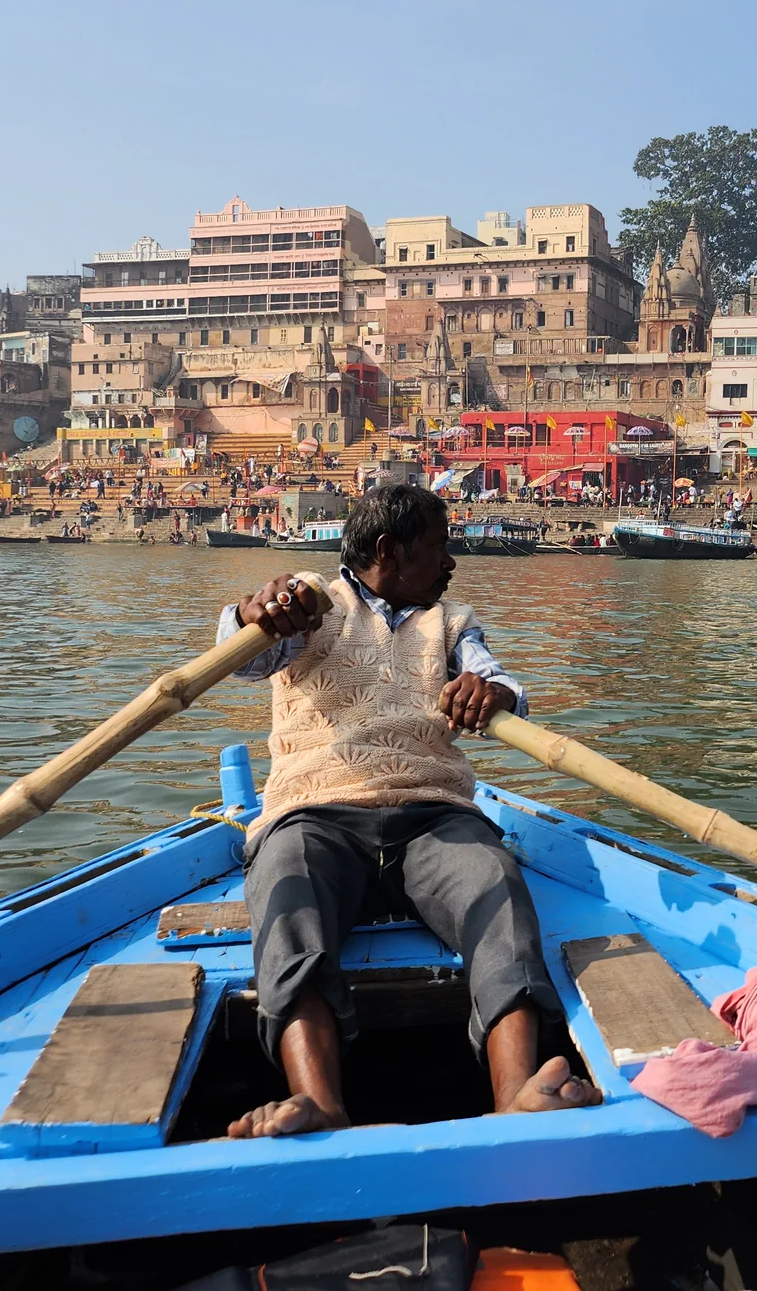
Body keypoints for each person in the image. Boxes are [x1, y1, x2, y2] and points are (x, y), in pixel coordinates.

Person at [213, 485, 600, 1139]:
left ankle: (517, 1095)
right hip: (314, 814)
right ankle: (319, 1101)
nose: (450, 564)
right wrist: (254, 616)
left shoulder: (450, 622)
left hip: (433, 815)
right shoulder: (310, 602)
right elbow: (242, 653)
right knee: (284, 895)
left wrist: (492, 690)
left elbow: (506, 686)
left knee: (497, 890)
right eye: (439, 549)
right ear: (389, 551)